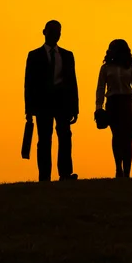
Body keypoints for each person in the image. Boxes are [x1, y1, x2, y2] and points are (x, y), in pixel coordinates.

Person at [24, 20, 79, 182]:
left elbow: (72, 82)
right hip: (42, 103)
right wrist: (29, 109)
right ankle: (44, 175)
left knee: (65, 136)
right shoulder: (34, 55)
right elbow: (29, 83)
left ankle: (65, 173)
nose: (56, 33)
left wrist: (75, 107)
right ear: (44, 32)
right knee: (44, 139)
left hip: (62, 102)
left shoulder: (67, 55)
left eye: (58, 31)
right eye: (53, 30)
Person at [95, 39, 132, 178]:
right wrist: (98, 106)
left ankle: (127, 171)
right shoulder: (106, 68)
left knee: (128, 138)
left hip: (128, 103)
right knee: (117, 136)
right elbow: (100, 88)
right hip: (113, 103)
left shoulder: (131, 67)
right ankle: (118, 168)